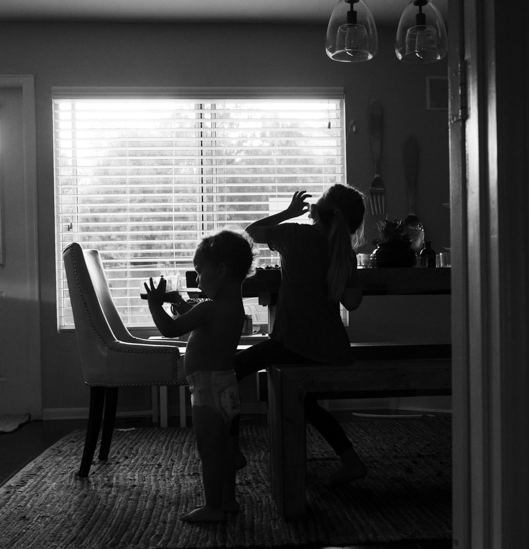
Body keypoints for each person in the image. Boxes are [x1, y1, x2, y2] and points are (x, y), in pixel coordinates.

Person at [232, 184, 368, 485]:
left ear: (317, 210)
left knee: (230, 371)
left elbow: (250, 233)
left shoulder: (295, 236)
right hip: (330, 349)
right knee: (307, 404)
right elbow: (353, 302)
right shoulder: (343, 251)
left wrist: (289, 212)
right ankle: (350, 460)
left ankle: (231, 448)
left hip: (293, 344)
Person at [144, 229, 256, 523]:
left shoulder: (209, 308)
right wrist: (180, 304)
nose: (197, 279)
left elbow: (170, 330)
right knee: (226, 450)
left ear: (220, 270)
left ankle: (213, 508)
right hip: (228, 388)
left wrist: (155, 305)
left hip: (206, 391)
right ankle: (229, 500)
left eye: (199, 271)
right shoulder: (232, 307)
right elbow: (200, 322)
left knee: (209, 451)